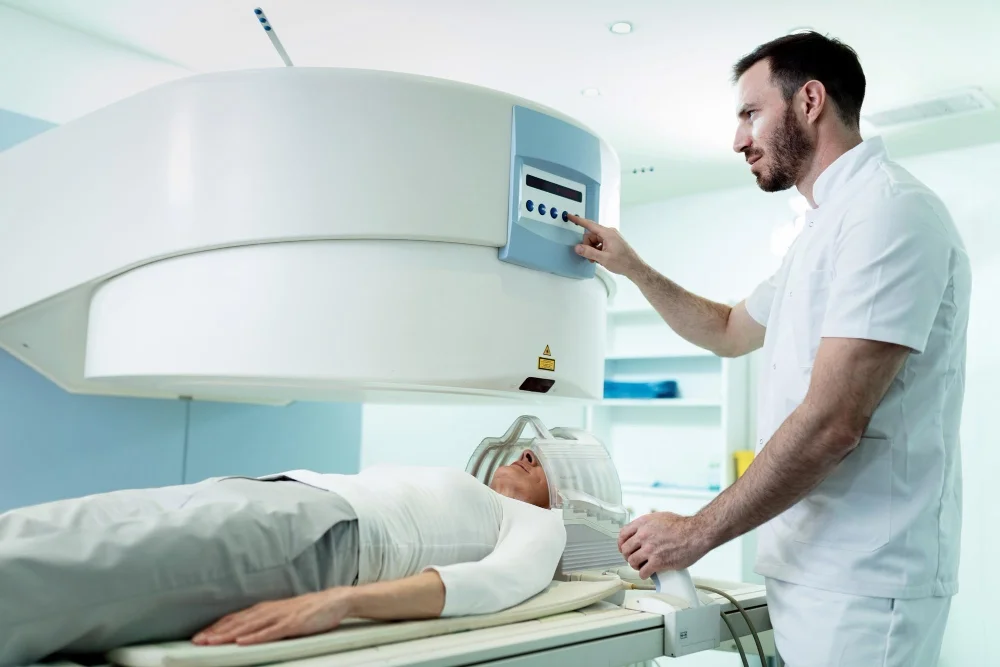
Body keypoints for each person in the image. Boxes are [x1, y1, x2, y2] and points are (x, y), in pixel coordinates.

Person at [569, 31, 970, 667]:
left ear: (810, 101)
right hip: (811, 570)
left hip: (865, 584)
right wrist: (633, 268)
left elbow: (834, 422)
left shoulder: (889, 214)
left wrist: (696, 532)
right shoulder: (822, 229)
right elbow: (729, 329)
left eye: (751, 113)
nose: (738, 139)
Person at [0, 449, 564, 667]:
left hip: (314, 537)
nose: (525, 454)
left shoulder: (541, 523)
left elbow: (493, 584)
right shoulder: (473, 489)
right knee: (45, 525)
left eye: (542, 461)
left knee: (65, 572)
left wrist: (342, 601)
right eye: (530, 450)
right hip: (262, 491)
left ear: (570, 492)